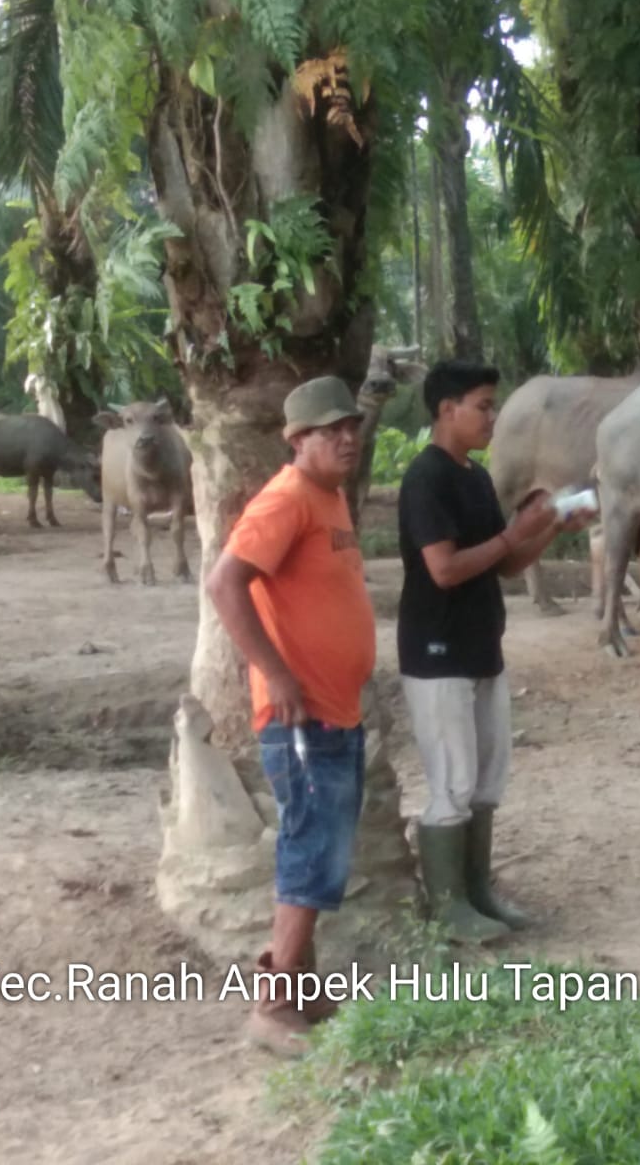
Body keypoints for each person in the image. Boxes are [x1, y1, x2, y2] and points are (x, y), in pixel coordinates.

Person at [204, 374, 376, 1057]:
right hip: (300, 717)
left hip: (336, 711)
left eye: (352, 427)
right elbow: (223, 583)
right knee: (309, 849)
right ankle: (273, 1006)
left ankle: (302, 988)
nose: (347, 438)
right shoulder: (286, 499)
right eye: (331, 429)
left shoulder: (328, 499)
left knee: (323, 845)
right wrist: (276, 673)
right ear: (297, 439)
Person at [397, 358, 596, 944]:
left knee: (485, 779)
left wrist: (548, 531)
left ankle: (477, 891)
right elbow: (445, 568)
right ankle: (450, 904)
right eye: (483, 405)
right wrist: (517, 532)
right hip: (437, 652)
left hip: (481, 646)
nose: (492, 417)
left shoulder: (475, 479)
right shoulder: (425, 478)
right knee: (452, 781)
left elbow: (504, 565)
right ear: (446, 409)